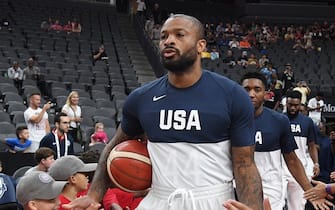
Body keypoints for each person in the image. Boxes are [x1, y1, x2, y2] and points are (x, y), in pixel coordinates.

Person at [64, 14, 264, 210]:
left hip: (213, 200)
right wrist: (93, 195)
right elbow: (112, 149)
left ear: (200, 45)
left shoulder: (232, 95)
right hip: (160, 199)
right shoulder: (141, 98)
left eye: (179, 35)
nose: (169, 41)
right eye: (164, 36)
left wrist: (254, 207)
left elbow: (244, 164)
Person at [241, 72, 328, 209]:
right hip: (239, 187)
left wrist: (309, 191)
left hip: (270, 188)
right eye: (246, 89)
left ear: (265, 93)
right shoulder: (229, 121)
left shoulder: (279, 121)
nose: (251, 94)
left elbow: (292, 160)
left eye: (257, 89)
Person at [283, 90, 320, 210]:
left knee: (297, 207)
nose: (293, 108)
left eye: (296, 105)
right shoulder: (277, 119)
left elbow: (311, 145)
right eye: (290, 105)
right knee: (274, 205)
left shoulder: (307, 121)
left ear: (300, 105)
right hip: (278, 169)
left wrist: (316, 163)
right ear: (286, 103)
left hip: (299, 169)